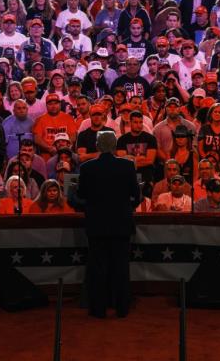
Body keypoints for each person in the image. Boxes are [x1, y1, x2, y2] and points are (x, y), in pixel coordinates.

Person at [77, 131, 140, 318]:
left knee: (98, 268)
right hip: (121, 225)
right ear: (114, 146)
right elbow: (136, 196)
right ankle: (122, 308)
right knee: (121, 268)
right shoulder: (127, 166)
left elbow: (82, 195)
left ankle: (98, 309)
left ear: (97, 146)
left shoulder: (87, 168)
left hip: (97, 226)